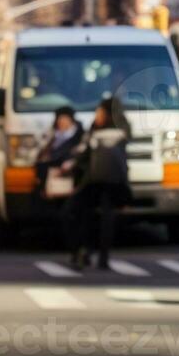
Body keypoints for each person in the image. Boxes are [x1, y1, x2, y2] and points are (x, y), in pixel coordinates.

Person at [65, 95, 129, 271]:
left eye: (99, 111)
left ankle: (82, 251)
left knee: (77, 212)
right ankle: (102, 257)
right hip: (115, 182)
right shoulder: (124, 130)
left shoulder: (96, 132)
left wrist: (72, 163)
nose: (97, 115)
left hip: (93, 181)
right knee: (106, 220)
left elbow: (83, 154)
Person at [35, 106, 84, 194]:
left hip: (69, 170)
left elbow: (81, 153)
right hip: (49, 170)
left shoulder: (79, 136)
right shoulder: (52, 134)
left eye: (65, 119)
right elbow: (42, 152)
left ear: (71, 120)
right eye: (60, 119)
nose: (62, 122)